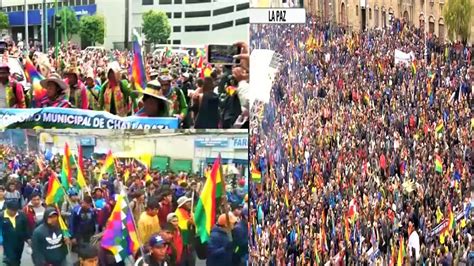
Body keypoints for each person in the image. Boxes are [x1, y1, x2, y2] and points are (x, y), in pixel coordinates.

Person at [0, 200, 30, 266]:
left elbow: (26, 227)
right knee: (11, 259)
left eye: (15, 210)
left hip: (20, 242)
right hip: (7, 242)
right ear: (7, 208)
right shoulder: (1, 216)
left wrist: (28, 239)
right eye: (11, 210)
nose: (13, 212)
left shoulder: (22, 214)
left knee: (17, 258)